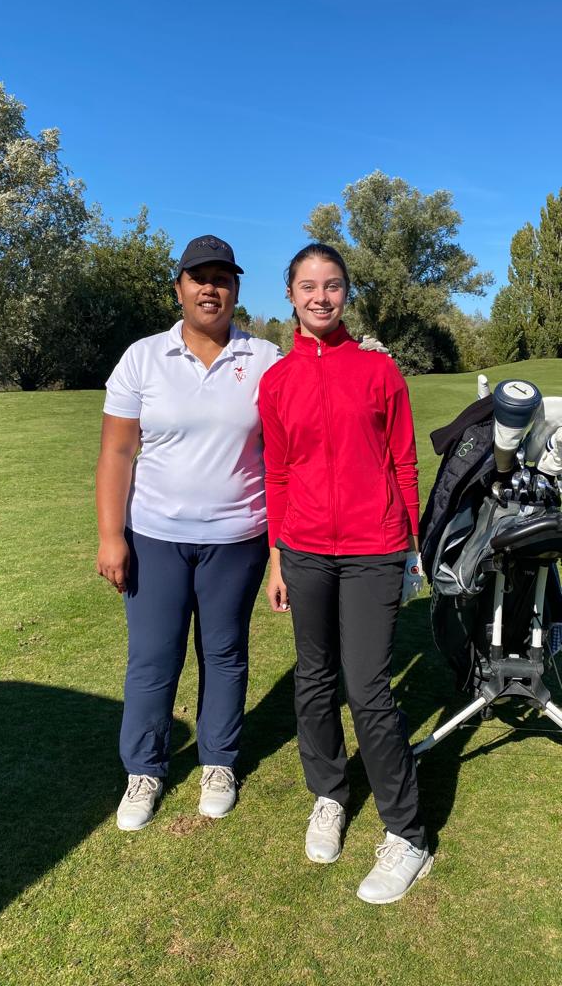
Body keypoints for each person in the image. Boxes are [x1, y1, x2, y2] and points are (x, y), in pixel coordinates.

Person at [258, 243, 432, 904]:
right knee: (313, 678)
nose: (321, 297)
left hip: (373, 548)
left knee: (367, 688)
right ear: (291, 295)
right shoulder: (278, 380)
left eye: (332, 285)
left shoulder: (379, 370)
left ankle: (407, 833)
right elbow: (277, 472)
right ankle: (329, 793)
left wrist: (412, 546)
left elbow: (404, 463)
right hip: (303, 548)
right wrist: (277, 555)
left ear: (346, 293)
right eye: (308, 286)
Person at [96, 235, 281, 830]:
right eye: (199, 278)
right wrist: (111, 535)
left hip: (238, 537)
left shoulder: (266, 359)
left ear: (236, 290)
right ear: (178, 288)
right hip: (154, 535)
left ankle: (218, 762)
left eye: (222, 279)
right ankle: (143, 771)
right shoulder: (143, 357)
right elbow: (117, 453)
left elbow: (285, 455)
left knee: (224, 653)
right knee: (153, 657)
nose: (210, 289)